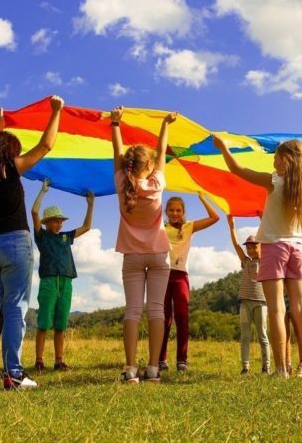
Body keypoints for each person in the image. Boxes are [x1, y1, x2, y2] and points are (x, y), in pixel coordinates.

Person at [0, 95, 64, 390]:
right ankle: (14, 374)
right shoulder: (11, 169)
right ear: (9, 152)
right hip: (14, 246)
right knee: (15, 308)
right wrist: (56, 112)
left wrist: (0, 123)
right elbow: (46, 145)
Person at [213, 135, 302, 379]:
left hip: (273, 247)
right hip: (296, 248)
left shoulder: (274, 181)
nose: (273, 159)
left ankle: (281, 369)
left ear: (286, 160)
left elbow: (237, 169)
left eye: (277, 156)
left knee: (276, 310)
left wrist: (223, 148)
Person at [111, 106, 176, 383]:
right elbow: (162, 152)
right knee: (156, 310)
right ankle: (152, 368)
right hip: (159, 255)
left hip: (132, 257)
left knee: (133, 311)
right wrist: (165, 124)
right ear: (149, 167)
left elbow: (116, 154)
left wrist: (116, 123)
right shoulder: (157, 183)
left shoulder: (122, 184)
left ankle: (129, 368)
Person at [30, 179, 95, 373]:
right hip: (49, 281)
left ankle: (59, 361)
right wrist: (42, 192)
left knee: (60, 324)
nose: (59, 224)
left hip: (66, 282)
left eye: (60, 221)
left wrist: (90, 205)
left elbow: (87, 227)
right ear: (47, 222)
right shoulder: (42, 236)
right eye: (55, 221)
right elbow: (34, 213)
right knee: (43, 323)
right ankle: (39, 361)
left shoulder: (66, 237)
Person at [158, 194, 220, 372]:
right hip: (162, 274)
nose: (175, 213)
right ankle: (161, 359)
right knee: (164, 319)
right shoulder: (161, 227)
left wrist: (202, 198)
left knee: (182, 317)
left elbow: (215, 218)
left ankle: (181, 360)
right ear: (166, 212)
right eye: (171, 210)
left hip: (180, 276)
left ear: (183, 211)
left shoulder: (189, 227)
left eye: (178, 210)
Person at [227, 216, 271, 375]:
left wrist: (263, 220)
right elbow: (236, 245)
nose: (251, 250)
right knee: (245, 337)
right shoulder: (245, 261)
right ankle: (245, 367)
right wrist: (232, 226)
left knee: (262, 335)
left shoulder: (266, 260)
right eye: (249, 248)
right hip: (245, 303)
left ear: (261, 246)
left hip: (261, 303)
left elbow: (268, 237)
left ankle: (266, 367)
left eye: (254, 246)